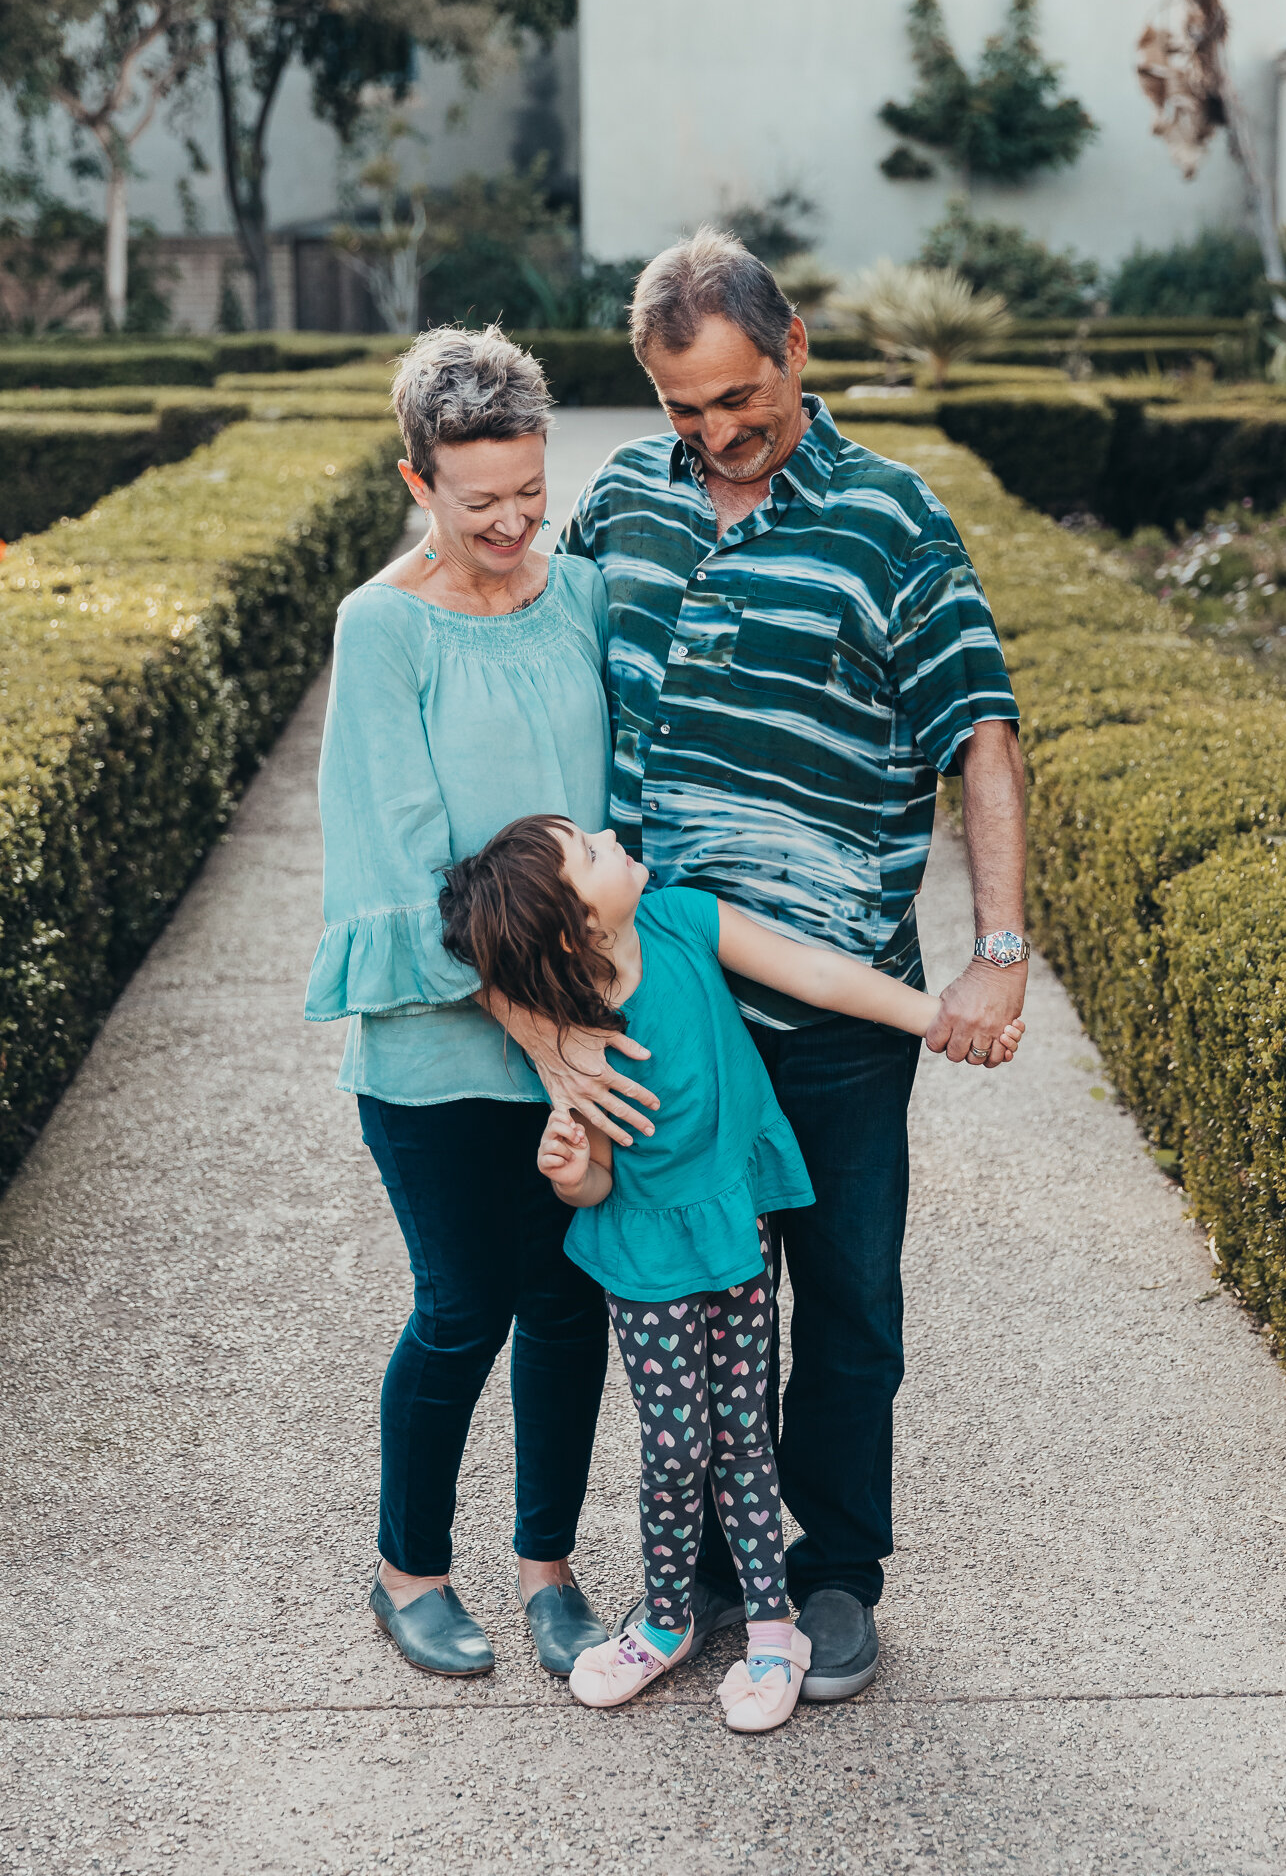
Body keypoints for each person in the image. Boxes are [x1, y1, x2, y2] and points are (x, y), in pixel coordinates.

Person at [553, 228, 1029, 1700]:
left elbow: (983, 735)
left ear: (798, 345)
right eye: (685, 405)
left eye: (741, 395)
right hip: (660, 1009)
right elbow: (532, 667)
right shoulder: (622, 501)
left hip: (830, 1012)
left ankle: (830, 1574)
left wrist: (998, 950)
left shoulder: (892, 520)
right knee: (685, 1305)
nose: (717, 432)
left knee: (847, 1308)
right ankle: (703, 1573)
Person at [438, 814, 1022, 1732]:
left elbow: (814, 971)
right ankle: (666, 1617)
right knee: (673, 1451)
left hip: (730, 1231)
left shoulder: (682, 919)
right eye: (587, 851)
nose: (604, 832)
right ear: (576, 931)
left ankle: (771, 1629)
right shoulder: (573, 1034)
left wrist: (935, 1017)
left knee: (742, 1437)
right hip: (641, 1260)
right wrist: (567, 1172)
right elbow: (592, 1184)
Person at [304, 324, 657, 1681]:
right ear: (417, 483)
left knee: (570, 1305)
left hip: (580, 1030)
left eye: (530, 494)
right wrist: (546, 1040)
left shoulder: (580, 597)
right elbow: (402, 879)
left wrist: (596, 1024)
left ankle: (549, 1572)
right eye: (480, 503)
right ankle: (408, 1574)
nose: (513, 524)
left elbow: (615, 817)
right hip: (437, 1048)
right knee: (462, 1307)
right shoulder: (383, 629)